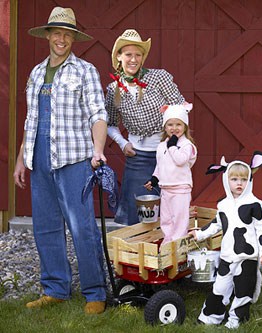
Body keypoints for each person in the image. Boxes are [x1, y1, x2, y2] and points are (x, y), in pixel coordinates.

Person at [13, 7, 108, 314]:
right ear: (48, 36)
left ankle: (95, 292)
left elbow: (98, 115)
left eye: (67, 34)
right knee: (45, 227)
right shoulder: (37, 72)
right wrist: (20, 160)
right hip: (39, 159)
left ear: (73, 39)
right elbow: (31, 121)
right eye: (57, 33)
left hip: (74, 161)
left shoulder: (85, 71)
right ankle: (55, 288)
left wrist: (98, 150)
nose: (61, 39)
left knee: (82, 227)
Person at [105, 29, 185, 226]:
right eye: (128, 54)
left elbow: (181, 107)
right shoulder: (112, 90)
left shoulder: (159, 78)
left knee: (169, 205)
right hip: (137, 156)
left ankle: (165, 251)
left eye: (138, 55)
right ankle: (136, 254)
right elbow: (110, 124)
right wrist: (123, 144)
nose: (133, 59)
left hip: (166, 153)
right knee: (138, 211)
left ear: (143, 58)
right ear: (119, 57)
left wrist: (173, 139)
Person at [189, 151, 262, 329]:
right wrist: (200, 234)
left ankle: (236, 319)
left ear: (249, 180)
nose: (239, 183)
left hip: (247, 257)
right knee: (220, 287)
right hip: (227, 254)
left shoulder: (254, 203)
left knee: (243, 290)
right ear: (226, 180)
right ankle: (211, 316)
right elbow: (217, 224)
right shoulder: (223, 204)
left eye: (243, 179)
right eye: (234, 179)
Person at [144, 104, 197, 245]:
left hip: (180, 188)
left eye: (178, 124)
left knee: (179, 219)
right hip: (165, 189)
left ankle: (177, 245)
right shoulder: (162, 145)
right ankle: (168, 243)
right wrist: (155, 178)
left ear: (185, 126)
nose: (174, 128)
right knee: (167, 219)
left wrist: (173, 146)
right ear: (165, 127)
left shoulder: (187, 145)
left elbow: (180, 160)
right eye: (170, 125)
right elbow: (160, 165)